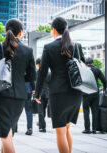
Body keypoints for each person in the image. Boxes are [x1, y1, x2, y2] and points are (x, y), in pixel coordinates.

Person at [35, 17, 85, 153]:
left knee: (60, 131)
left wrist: (37, 93)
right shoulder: (77, 46)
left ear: (53, 30)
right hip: (75, 93)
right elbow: (83, 68)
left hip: (58, 93)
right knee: (67, 127)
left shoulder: (49, 47)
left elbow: (42, 73)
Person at [0, 18, 36, 153]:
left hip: (1, 95)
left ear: (5, 31)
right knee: (8, 132)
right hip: (20, 96)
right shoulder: (28, 50)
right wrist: (19, 79)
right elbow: (32, 76)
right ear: (21, 33)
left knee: (5, 135)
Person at [82, 58, 107, 134]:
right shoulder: (97, 70)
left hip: (86, 92)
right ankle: (94, 129)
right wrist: (104, 87)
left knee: (86, 111)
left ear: (86, 63)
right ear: (92, 63)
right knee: (95, 111)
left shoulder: (83, 70)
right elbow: (104, 80)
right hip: (95, 92)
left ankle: (87, 129)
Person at [35, 58, 51, 133]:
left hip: (40, 94)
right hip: (47, 94)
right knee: (43, 110)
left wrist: (36, 95)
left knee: (40, 111)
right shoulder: (48, 73)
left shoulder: (37, 73)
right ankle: (41, 123)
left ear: (38, 65)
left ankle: (42, 127)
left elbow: (36, 85)